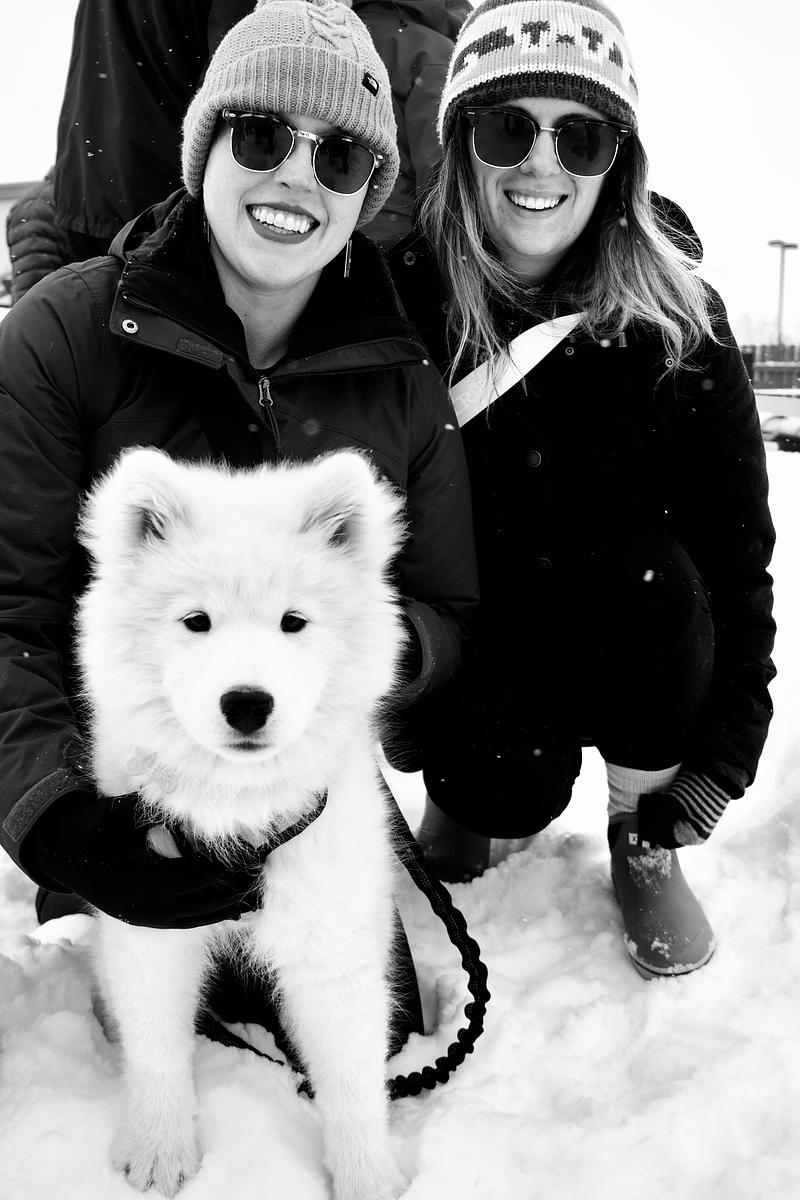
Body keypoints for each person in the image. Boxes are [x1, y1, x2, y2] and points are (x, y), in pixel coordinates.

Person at [0, 0, 477, 1048]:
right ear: (203, 148)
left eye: (340, 157)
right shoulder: (63, 334)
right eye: (262, 137)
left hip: (299, 768)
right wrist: (61, 818)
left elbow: (445, 605)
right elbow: (7, 610)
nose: (298, 176)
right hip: (122, 764)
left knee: (372, 1024)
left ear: (369, 191)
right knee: (158, 984)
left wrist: (338, 654)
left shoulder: (400, 378)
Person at [388, 0, 776, 979]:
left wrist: (721, 757)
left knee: (660, 578)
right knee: (494, 777)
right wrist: (401, 703)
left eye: (582, 137)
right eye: (506, 127)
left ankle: (638, 837)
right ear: (461, 142)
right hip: (480, 652)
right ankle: (464, 806)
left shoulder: (680, 321)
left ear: (619, 160)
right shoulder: (396, 301)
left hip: (627, 640)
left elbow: (737, 559)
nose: (541, 165)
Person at [354, 0, 472, 247]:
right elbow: (442, 181)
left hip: (325, 233)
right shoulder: (434, 55)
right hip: (397, 245)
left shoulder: (337, 38)